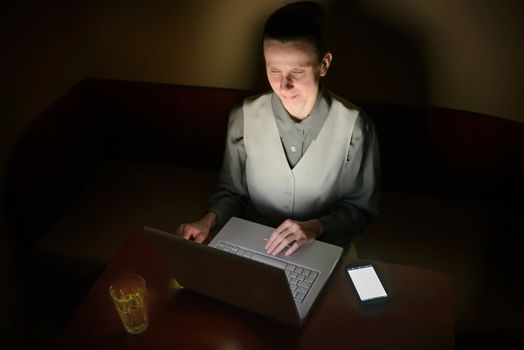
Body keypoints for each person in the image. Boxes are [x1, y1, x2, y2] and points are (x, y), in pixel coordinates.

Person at [178, 1, 380, 257]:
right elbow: (232, 192)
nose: (284, 85)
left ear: (324, 64)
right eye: (274, 70)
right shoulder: (243, 116)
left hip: (323, 247)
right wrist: (208, 221)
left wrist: (316, 227)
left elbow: (360, 210)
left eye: (297, 71)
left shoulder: (356, 128)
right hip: (253, 241)